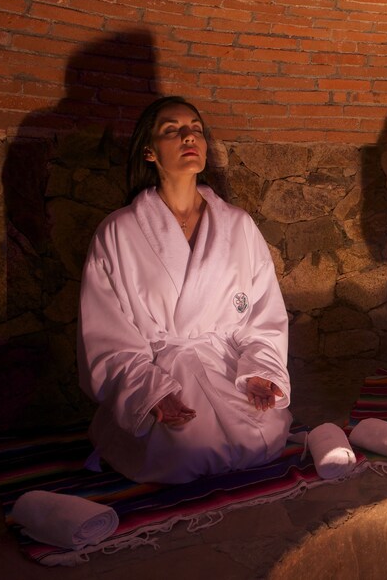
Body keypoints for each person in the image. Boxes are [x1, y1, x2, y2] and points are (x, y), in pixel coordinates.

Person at [77, 96, 292, 484]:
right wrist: (149, 392)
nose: (188, 136)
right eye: (172, 130)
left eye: (195, 128)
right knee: (184, 449)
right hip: (161, 369)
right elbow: (106, 332)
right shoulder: (119, 232)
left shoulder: (238, 225)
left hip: (226, 364)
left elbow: (263, 313)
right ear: (149, 150)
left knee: (265, 432)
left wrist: (260, 371)